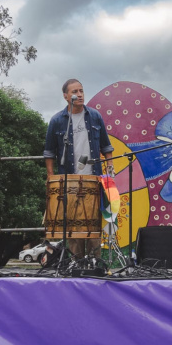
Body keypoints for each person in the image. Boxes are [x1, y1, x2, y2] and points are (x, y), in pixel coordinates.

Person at [43, 78, 114, 259]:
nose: (80, 94)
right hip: (69, 180)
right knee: (73, 228)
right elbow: (49, 152)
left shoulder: (95, 116)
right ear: (66, 96)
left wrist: (110, 169)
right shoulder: (58, 121)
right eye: (75, 92)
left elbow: (106, 147)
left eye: (81, 91)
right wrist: (52, 179)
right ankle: (76, 265)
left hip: (94, 179)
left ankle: (95, 264)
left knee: (93, 227)